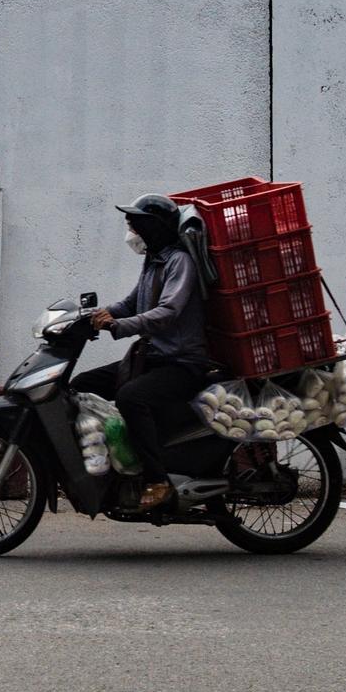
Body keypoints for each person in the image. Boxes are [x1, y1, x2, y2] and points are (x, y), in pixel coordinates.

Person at [71, 193, 213, 512]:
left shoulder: (179, 261)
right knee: (79, 385)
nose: (132, 230)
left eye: (137, 224)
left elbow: (168, 312)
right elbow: (131, 303)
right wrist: (91, 317)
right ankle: (106, 470)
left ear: (156, 228)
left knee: (132, 397)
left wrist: (119, 326)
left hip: (182, 364)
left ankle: (157, 480)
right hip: (152, 358)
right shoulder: (154, 260)